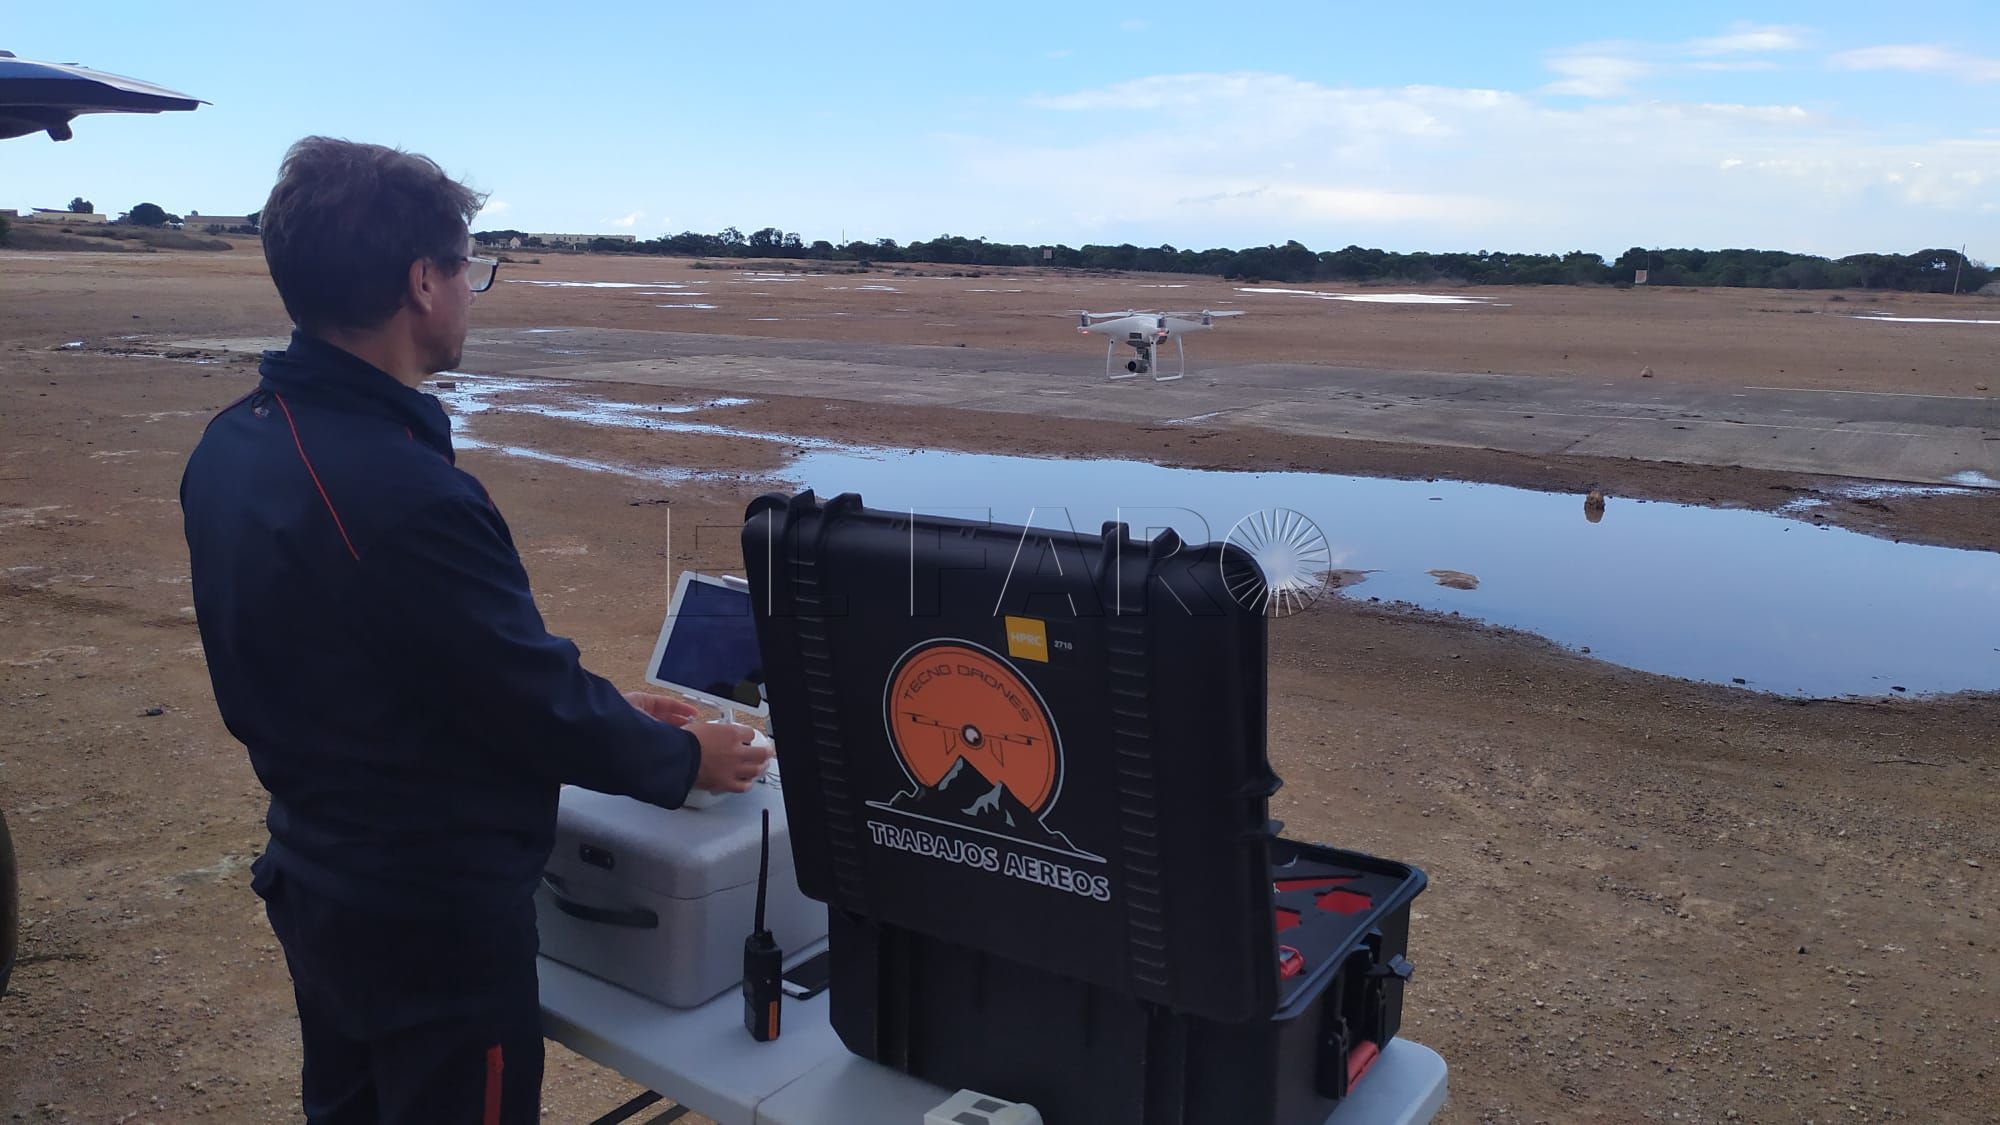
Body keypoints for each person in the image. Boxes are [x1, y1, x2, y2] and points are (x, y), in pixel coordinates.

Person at [180, 136, 771, 1124]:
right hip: (427, 925)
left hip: (323, 877)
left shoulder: (237, 438)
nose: (471, 292)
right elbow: (517, 698)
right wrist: (681, 758)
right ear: (422, 280)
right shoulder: (404, 492)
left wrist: (600, 697)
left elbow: (412, 659)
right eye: (470, 269)